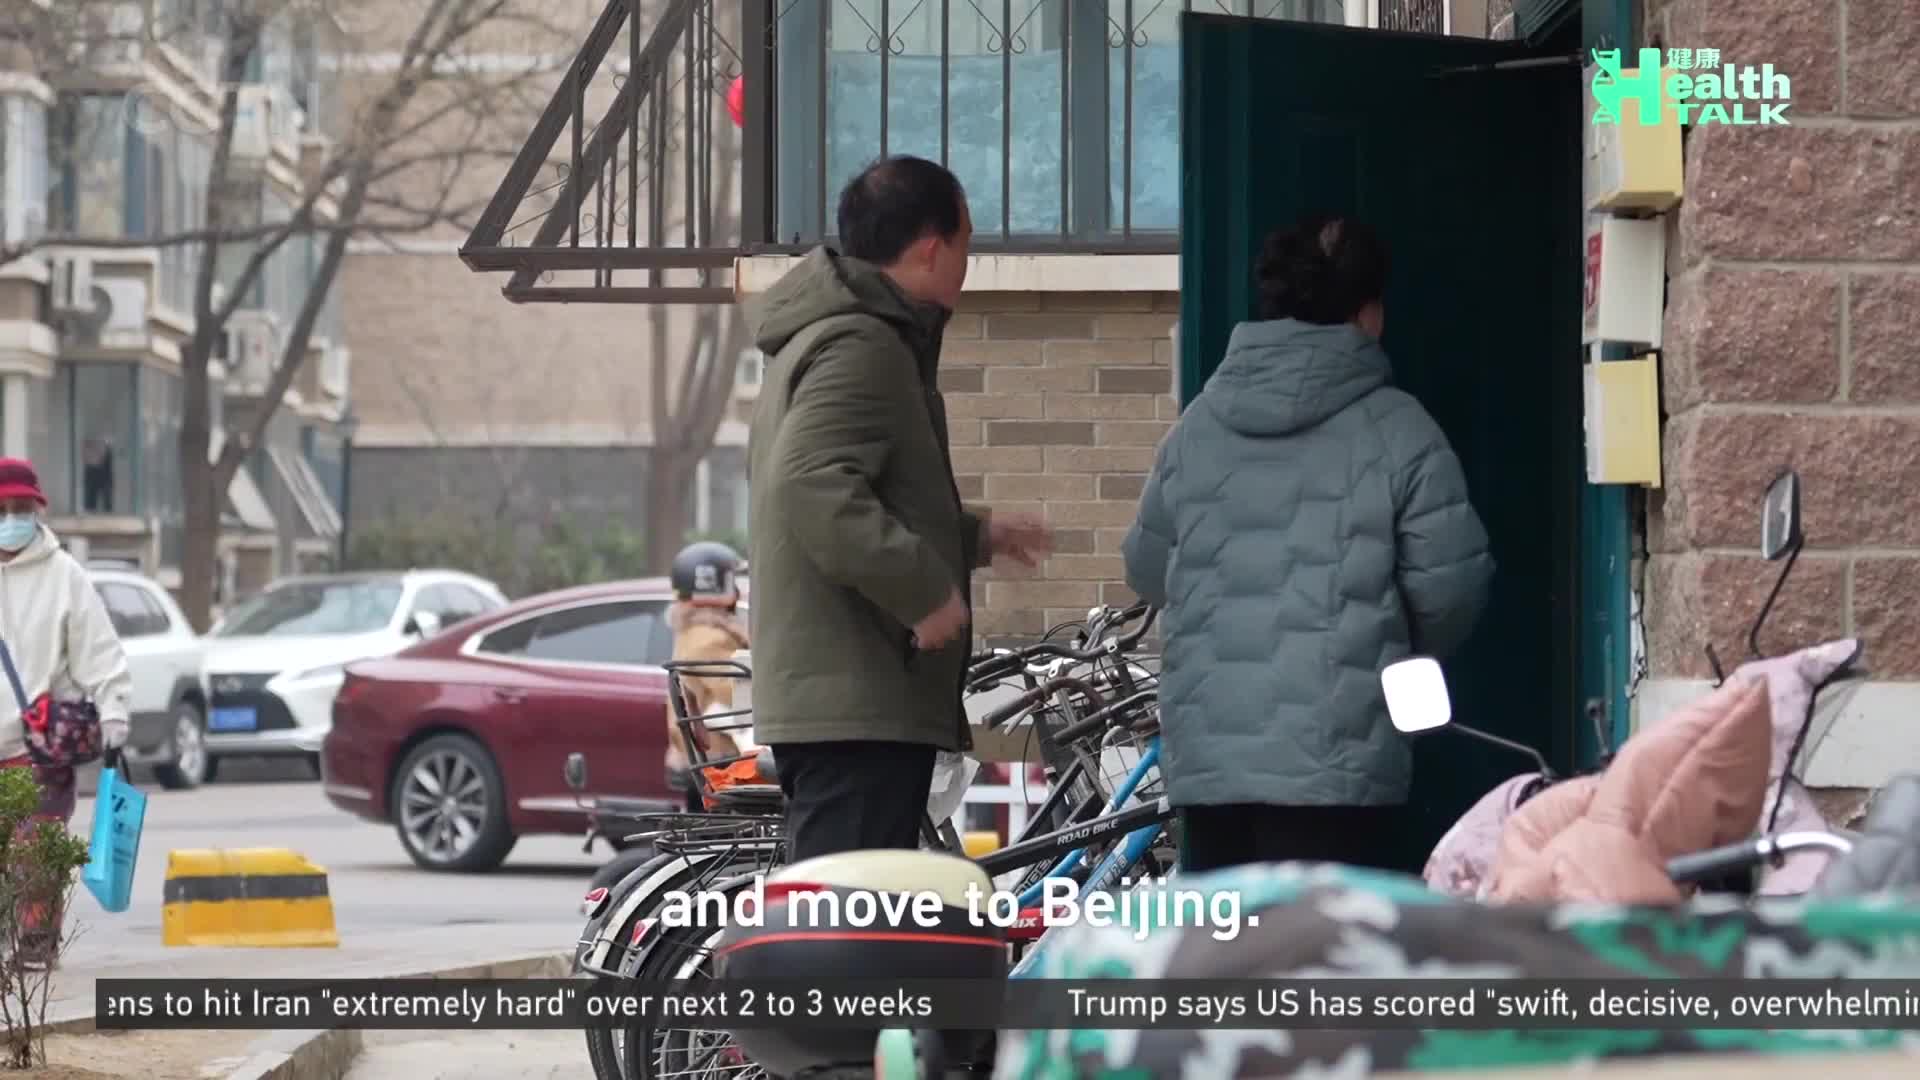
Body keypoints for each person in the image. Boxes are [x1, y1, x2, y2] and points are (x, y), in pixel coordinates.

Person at [1121, 214, 1495, 875]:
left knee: (1227, 955)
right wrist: (1383, 648)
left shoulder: (1197, 428)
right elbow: (1451, 588)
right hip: (1340, 761)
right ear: (1370, 314)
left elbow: (1148, 569)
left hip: (1210, 763)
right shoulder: (1402, 431)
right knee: (1322, 959)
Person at [746, 155, 1051, 864]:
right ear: (931, 248)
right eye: (967, 245)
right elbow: (812, 484)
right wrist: (923, 590)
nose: (969, 266)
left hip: (849, 692)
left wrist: (974, 536)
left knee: (851, 921)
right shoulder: (864, 344)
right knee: (843, 933)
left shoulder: (837, 336)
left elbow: (861, 488)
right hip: (856, 697)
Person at [0, 458, 132, 966]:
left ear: (37, 511)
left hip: (37, 743)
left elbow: (99, 649)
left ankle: (36, 942)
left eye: (20, 508)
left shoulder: (64, 577)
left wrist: (114, 707)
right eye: (2, 507)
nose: (11, 517)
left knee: (36, 846)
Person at [665, 540, 751, 812]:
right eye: (732, 581)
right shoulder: (710, 640)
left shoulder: (693, 633)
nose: (738, 591)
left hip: (704, 757)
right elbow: (741, 698)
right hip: (720, 761)